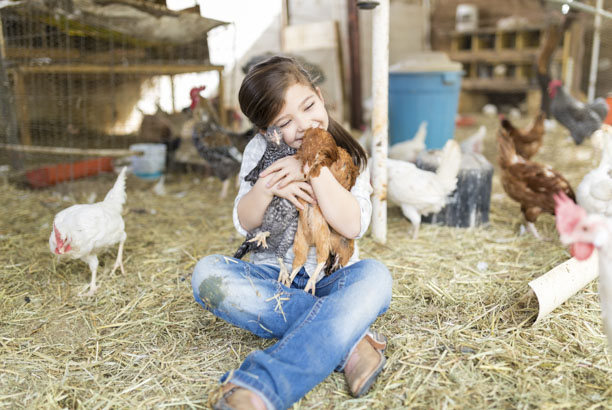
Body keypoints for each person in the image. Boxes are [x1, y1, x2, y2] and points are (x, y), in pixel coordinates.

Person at [191, 55, 392, 410]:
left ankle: (262, 386)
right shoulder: (259, 151)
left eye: (309, 106)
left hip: (331, 278)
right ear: (265, 131)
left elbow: (353, 225)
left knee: (376, 277)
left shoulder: (349, 153)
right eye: (285, 122)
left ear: (319, 93)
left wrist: (312, 169)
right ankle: (349, 337)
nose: (302, 125)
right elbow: (245, 220)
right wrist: (266, 186)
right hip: (274, 276)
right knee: (207, 274)